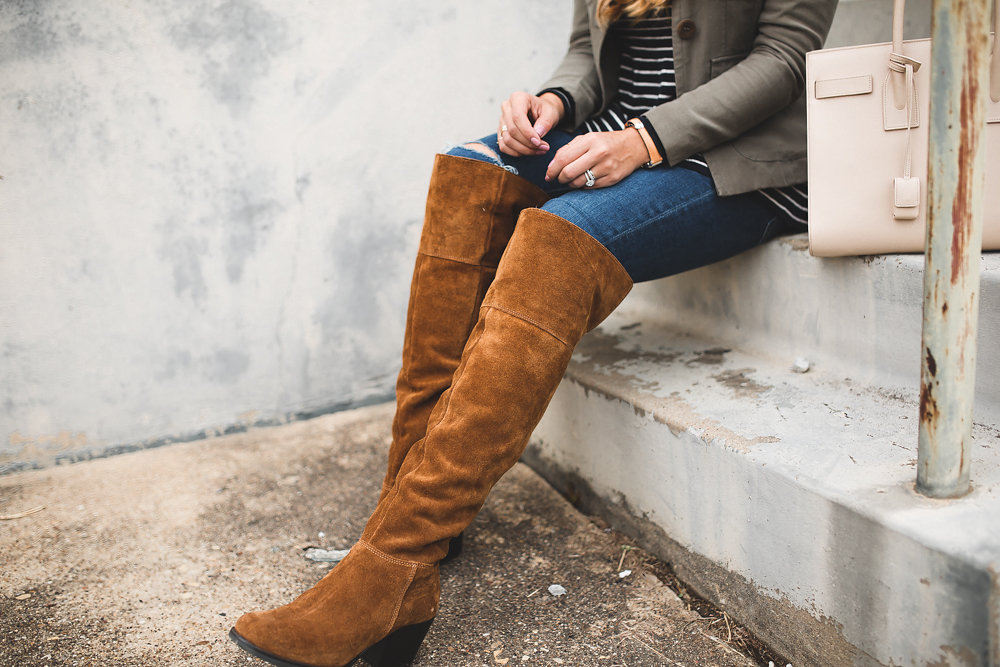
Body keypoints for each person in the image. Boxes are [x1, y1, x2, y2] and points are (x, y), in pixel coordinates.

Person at [228, 1, 838, 665]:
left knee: (559, 235)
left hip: (735, 159)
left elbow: (782, 62)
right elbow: (588, 47)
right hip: (609, 134)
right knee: (469, 175)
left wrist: (642, 140)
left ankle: (396, 561)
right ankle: (405, 512)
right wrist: (553, 99)